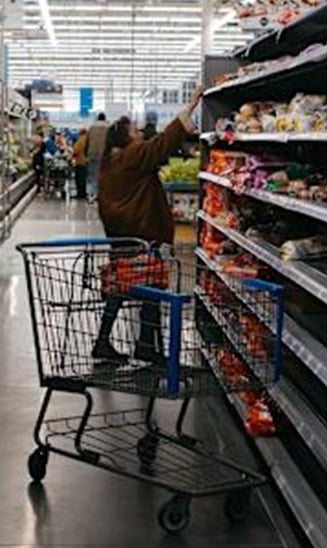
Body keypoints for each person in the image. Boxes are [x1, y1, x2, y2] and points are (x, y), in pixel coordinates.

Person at [92, 86, 205, 363]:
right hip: (140, 234)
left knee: (123, 286)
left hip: (121, 235)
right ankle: (144, 347)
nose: (140, 132)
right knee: (150, 285)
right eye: (135, 130)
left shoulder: (111, 160)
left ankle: (117, 343)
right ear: (126, 138)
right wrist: (190, 106)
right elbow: (162, 143)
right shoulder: (132, 155)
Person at [85, 113, 109, 202]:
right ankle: (101, 195)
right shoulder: (108, 127)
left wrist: (86, 154)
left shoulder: (91, 128)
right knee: (103, 175)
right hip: (104, 155)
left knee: (92, 175)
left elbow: (87, 142)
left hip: (93, 154)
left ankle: (91, 195)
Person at [71, 128, 89, 200]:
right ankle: (84, 194)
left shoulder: (80, 140)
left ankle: (80, 194)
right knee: (84, 180)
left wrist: (71, 156)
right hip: (86, 162)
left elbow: (76, 151)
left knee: (79, 179)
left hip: (80, 162)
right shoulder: (88, 139)